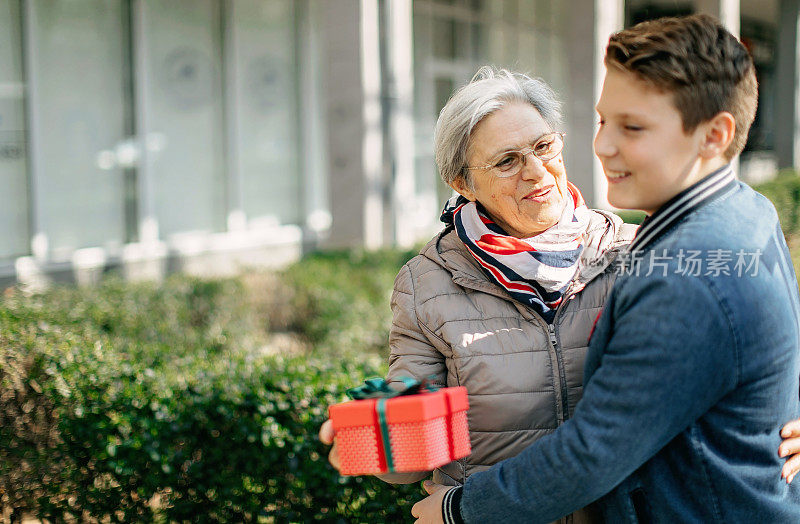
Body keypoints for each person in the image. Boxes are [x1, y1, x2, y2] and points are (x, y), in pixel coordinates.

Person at [412, 14, 800, 524]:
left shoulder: (661, 262)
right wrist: (380, 429)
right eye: (602, 122)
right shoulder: (744, 208)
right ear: (462, 181)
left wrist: (462, 510)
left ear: (714, 136)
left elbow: (595, 450)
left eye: (632, 127)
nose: (602, 146)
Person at [321, 66, 637, 523]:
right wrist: (377, 437)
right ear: (463, 184)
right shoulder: (428, 282)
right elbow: (416, 438)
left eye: (544, 146)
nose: (535, 172)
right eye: (507, 161)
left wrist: (778, 418)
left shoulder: (634, 253)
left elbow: (720, 369)